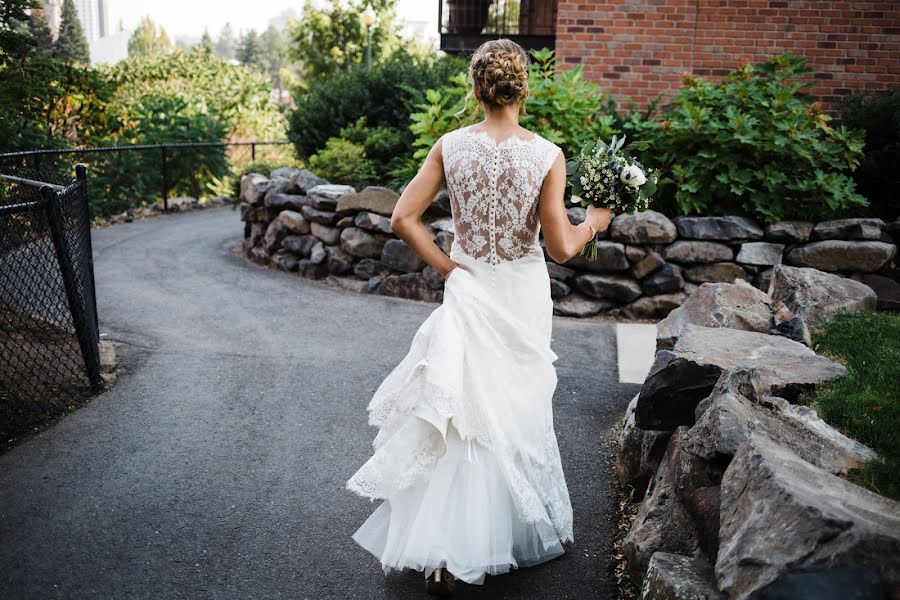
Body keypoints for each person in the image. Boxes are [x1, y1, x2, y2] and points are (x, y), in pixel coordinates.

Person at [345, 38, 613, 596]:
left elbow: (402, 218)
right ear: (524, 88)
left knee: (461, 408)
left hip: (470, 288)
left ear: (476, 89)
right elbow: (562, 247)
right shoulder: (546, 154)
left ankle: (444, 552)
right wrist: (596, 223)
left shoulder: (451, 146)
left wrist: (449, 268)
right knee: (509, 410)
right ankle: (488, 538)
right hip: (519, 292)